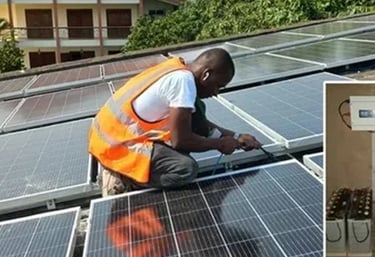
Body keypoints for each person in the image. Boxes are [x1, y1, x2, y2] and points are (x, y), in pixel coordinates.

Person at [88, 48, 261, 196]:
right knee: (185, 168)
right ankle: (125, 177)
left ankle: (130, 169)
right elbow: (181, 141)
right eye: (218, 86)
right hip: (116, 146)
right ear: (206, 75)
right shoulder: (183, 83)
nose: (216, 93)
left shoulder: (178, 69)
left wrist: (237, 137)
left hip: (109, 137)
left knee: (191, 133)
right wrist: (220, 144)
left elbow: (201, 126)